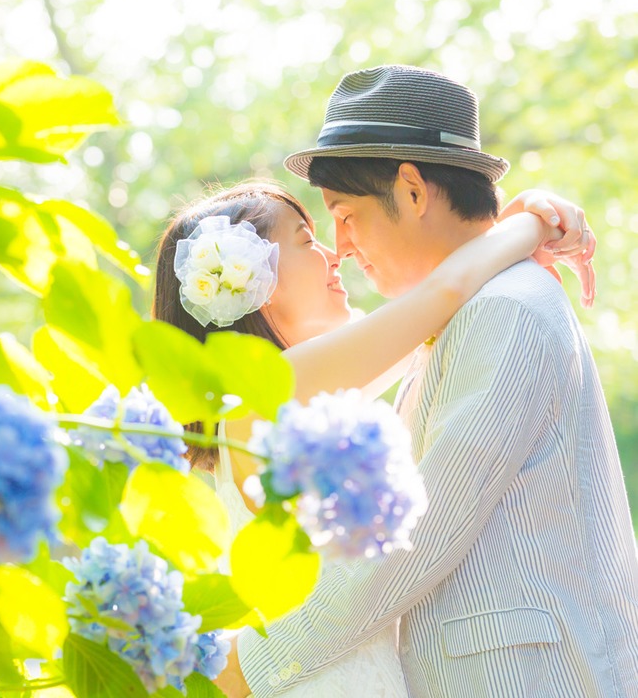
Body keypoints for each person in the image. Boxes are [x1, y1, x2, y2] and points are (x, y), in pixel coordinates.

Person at [200, 64, 638, 698]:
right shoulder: (457, 315)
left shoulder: (504, 308)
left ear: (411, 189)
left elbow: (419, 533)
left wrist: (252, 665)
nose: (341, 247)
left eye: (345, 216)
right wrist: (530, 222)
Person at [154, 174, 591, 697]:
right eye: (306, 241)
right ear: (254, 280)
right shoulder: (272, 391)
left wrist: (506, 227)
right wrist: (534, 224)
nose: (334, 256)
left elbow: (434, 318)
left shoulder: (266, 402)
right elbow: (443, 293)